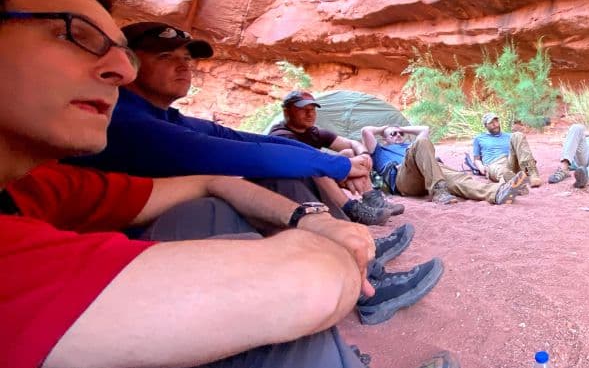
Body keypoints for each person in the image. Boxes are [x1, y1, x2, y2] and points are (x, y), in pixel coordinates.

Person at [0, 0, 517, 368]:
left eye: (121, 51)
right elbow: (248, 191)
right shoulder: (127, 128)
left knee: (208, 215)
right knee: (253, 282)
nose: (117, 68)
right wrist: (324, 235)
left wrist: (308, 215)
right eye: (77, 35)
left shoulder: (42, 184)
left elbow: (214, 171)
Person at [67, 21, 391, 225]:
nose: (183, 67)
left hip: (153, 227)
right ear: (127, 66)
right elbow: (243, 155)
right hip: (112, 243)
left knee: (284, 180)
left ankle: (357, 260)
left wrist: (334, 162)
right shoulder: (124, 121)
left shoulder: (163, 116)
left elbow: (243, 139)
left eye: (187, 58)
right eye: (165, 57)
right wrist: (338, 166)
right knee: (237, 198)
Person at [269, 89, 404, 216]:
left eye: (312, 109)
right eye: (303, 110)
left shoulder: (313, 132)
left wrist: (364, 155)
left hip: (315, 180)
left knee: (349, 153)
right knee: (321, 165)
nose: (310, 114)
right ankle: (352, 210)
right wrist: (352, 165)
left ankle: (372, 200)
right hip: (293, 187)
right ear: (287, 112)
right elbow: (314, 161)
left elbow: (351, 143)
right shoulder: (281, 135)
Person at [362, 124, 528, 205]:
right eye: (394, 134)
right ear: (385, 138)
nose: (398, 135)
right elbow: (366, 131)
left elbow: (424, 129)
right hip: (404, 179)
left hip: (431, 172)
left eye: (400, 133)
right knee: (420, 144)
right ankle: (439, 192)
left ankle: (498, 192)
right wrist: (385, 128)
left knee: (459, 179)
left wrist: (400, 127)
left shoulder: (409, 144)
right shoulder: (380, 150)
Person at [472, 112, 543, 188]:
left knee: (518, 135)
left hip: (510, 161)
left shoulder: (509, 136)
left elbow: (522, 151)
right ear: (486, 125)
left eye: (496, 121)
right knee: (504, 172)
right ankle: (510, 184)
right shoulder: (479, 138)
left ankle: (532, 174)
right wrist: (481, 167)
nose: (495, 124)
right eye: (491, 123)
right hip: (494, 164)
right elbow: (476, 158)